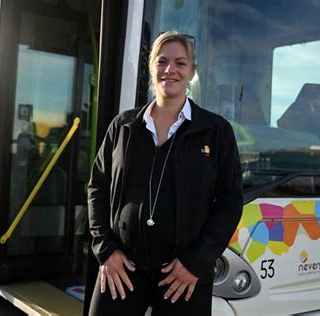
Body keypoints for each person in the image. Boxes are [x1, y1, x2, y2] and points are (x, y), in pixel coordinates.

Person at [87, 31, 243, 315]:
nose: (170, 70)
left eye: (180, 63)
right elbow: (97, 188)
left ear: (192, 72)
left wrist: (196, 263)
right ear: (151, 67)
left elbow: (230, 203)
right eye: (162, 61)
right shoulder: (122, 126)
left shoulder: (217, 131)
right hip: (123, 268)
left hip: (182, 275)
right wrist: (105, 250)